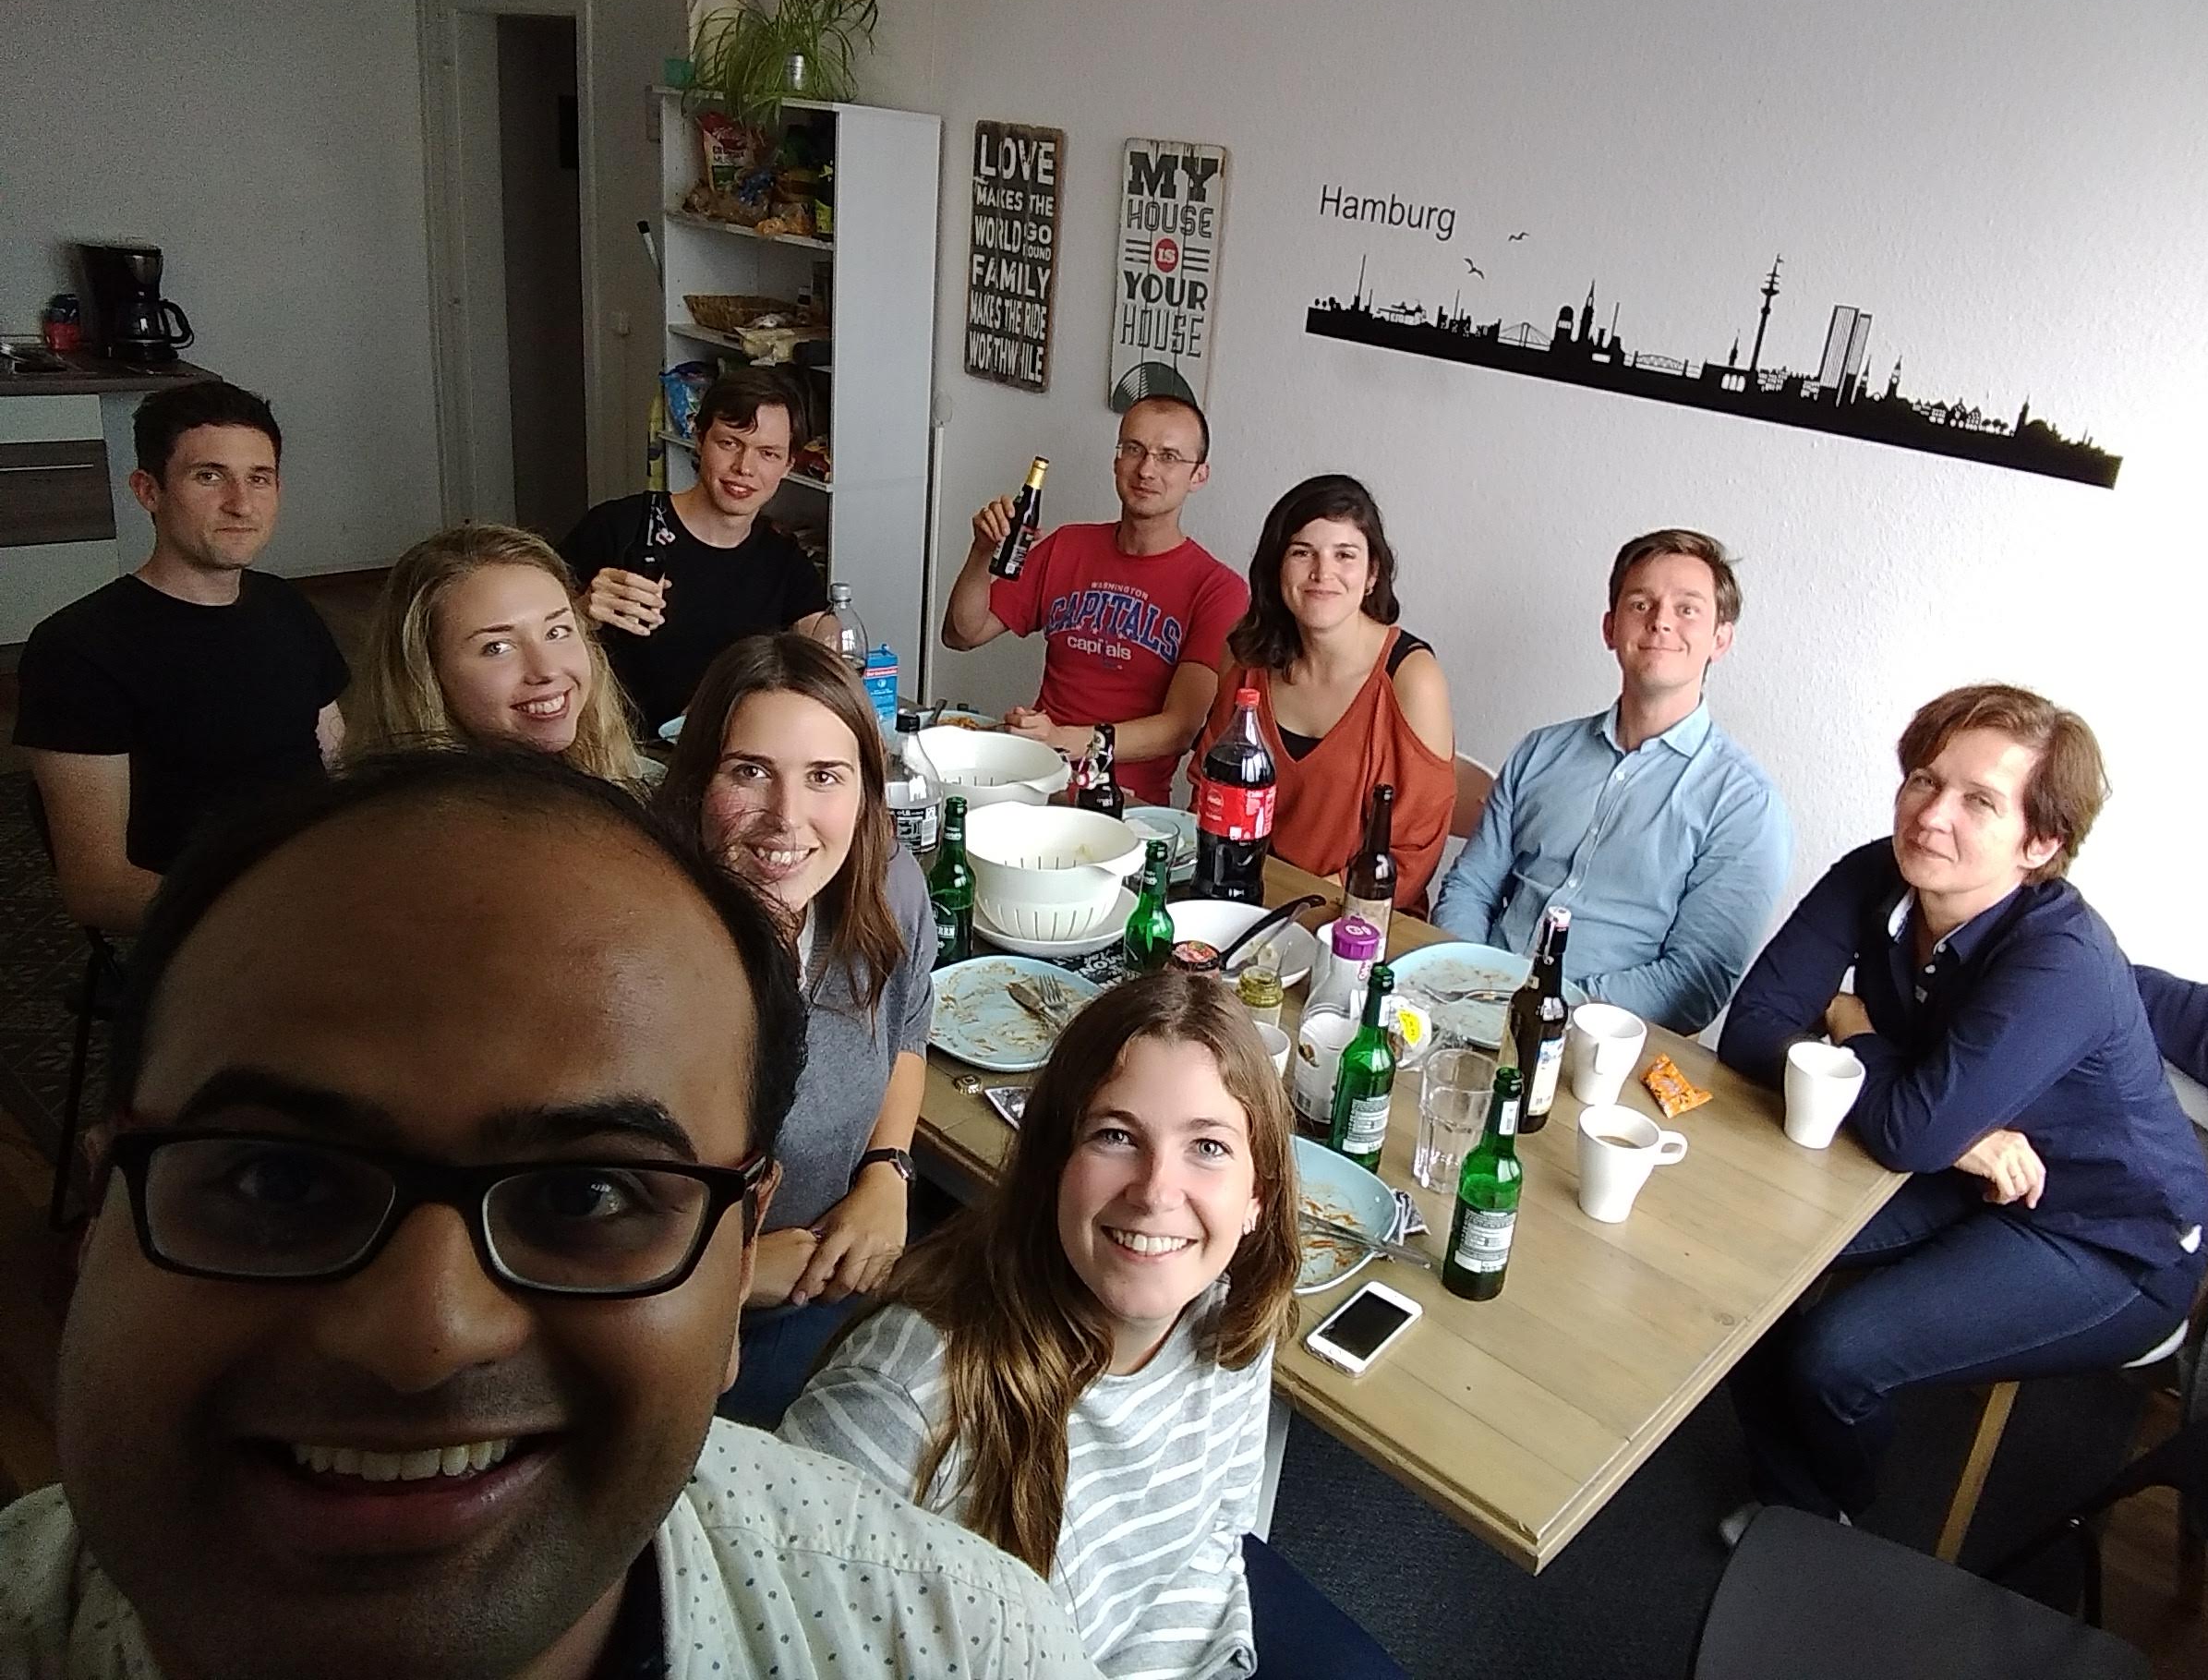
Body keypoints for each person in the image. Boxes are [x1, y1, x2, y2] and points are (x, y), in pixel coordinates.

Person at [0, 748, 1100, 1678]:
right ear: (99, 1211)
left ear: (734, 1266)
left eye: (588, 1196)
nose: (424, 1335)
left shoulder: (962, 1646)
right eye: (278, 1181)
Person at [786, 970, 1402, 1680]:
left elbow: (1209, 1546)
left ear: (1257, 1196)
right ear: (1053, 1165)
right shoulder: (903, 1399)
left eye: (1207, 1147)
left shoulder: (1231, 1314)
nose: (1155, 1192)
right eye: (1115, 1135)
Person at [1715, 684, 2208, 1530]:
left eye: (1979, 801)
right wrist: (1953, 1129)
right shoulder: (1877, 874)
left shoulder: (2063, 960)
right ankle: (1797, 1498)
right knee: (1739, 1266)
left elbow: (1911, 1131)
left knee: (1837, 1353)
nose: (1930, 814)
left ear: (2041, 841)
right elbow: (1752, 1030)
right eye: (1924, 780)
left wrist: (1852, 1029)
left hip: (2107, 1236)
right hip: (1969, 1174)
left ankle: (1832, 1520)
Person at [654, 633, 936, 1427]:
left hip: (837, 1282)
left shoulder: (885, 887)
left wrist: (888, 1170)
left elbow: (906, 1028)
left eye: (824, 778)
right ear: (697, 780)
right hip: (664, 1316)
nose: (787, 820)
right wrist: (732, 1272)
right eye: (749, 772)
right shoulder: (637, 942)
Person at [14, 380, 348, 936]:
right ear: (148, 490)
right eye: (209, 476)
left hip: (316, 882)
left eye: (258, 478)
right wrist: (279, 921)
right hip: (215, 925)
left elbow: (337, 760)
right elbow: (98, 887)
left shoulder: (285, 606)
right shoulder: (77, 650)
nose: (241, 504)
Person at [1435, 527, 1791, 1033]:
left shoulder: (1745, 805)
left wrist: (1548, 1011)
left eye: (1687, 608)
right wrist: (1466, 979)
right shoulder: (1541, 751)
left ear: (1721, 639)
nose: (1661, 621)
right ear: (1610, 627)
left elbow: (1695, 982)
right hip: (1467, 1002)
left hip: (1599, 1044)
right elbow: (1471, 886)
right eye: (1641, 603)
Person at [941, 395, 1248, 804]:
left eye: (1169, 456)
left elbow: (1182, 727)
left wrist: (1063, 739)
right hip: (1032, 778)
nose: (1147, 469)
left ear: (1199, 475)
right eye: (1133, 449)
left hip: (1124, 801)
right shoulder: (1067, 545)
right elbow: (963, 633)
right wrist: (981, 552)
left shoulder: (1217, 588)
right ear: (1116, 460)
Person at [1188, 474, 1453, 910]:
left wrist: (1296, 909)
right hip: (1242, 899)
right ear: (1277, 568)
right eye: (1301, 552)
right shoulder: (1246, 656)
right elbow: (1209, 792)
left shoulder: (1412, 676)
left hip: (1359, 924)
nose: (1321, 573)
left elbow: (1412, 855)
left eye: (1344, 555)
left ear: (1372, 575)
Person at [558, 368, 829, 734]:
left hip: (724, 753)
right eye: (729, 443)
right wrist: (579, 614)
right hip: (616, 752)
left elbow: (826, 641)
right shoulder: (617, 528)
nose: (744, 468)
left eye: (767, 453)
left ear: (787, 465)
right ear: (700, 440)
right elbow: (529, 635)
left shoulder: (783, 560)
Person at [344, 521, 646, 788]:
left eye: (556, 632)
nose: (547, 670)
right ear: (426, 671)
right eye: (497, 647)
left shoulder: (610, 775)